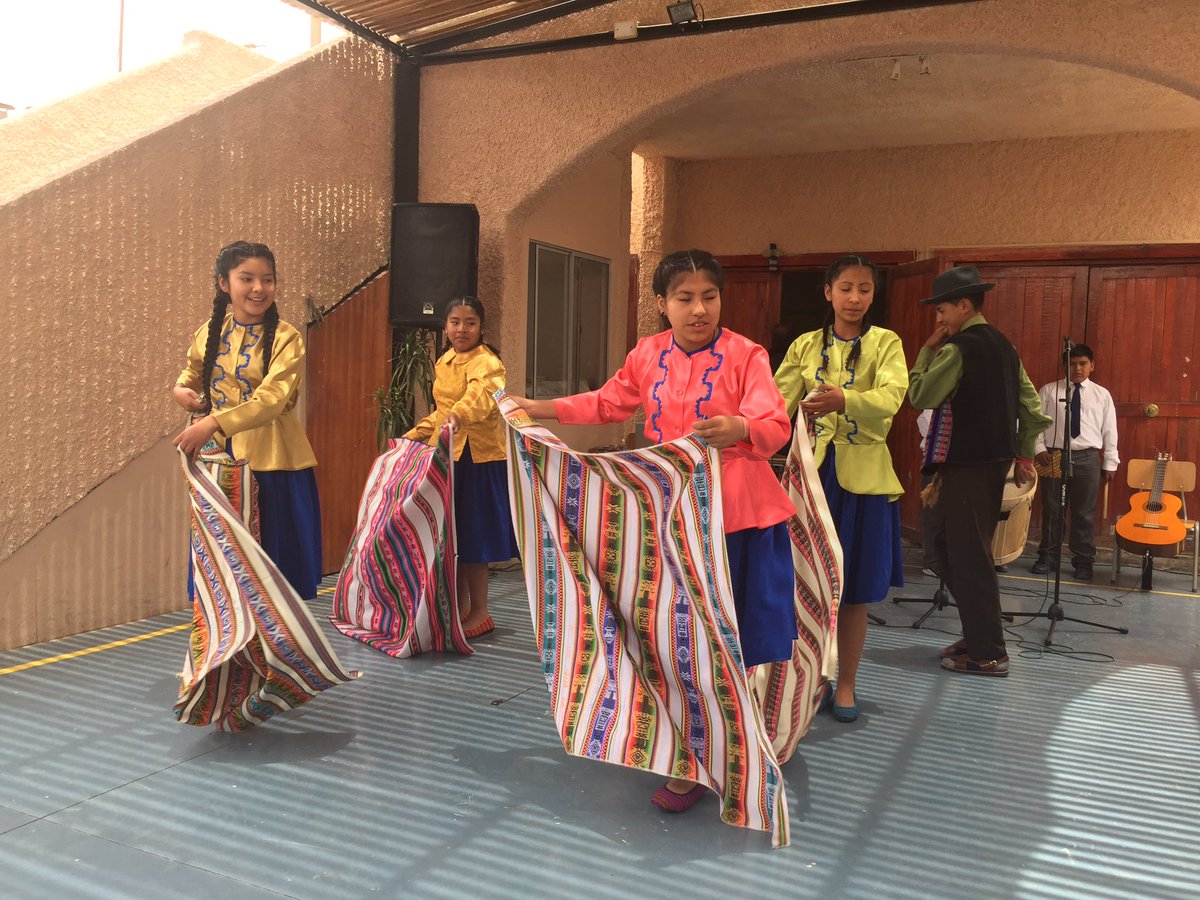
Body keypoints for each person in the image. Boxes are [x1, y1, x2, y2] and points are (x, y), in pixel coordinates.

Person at [509, 248, 797, 813]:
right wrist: (535, 408)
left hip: (739, 518)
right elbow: (607, 404)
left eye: (709, 297)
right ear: (662, 303)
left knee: (735, 638)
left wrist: (741, 426)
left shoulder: (747, 355)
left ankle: (733, 744)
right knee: (678, 639)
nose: (699, 309)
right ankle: (695, 753)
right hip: (672, 517)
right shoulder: (647, 354)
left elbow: (776, 425)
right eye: (685, 298)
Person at [773, 254, 907, 722]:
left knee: (853, 591)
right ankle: (807, 679)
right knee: (801, 583)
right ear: (828, 292)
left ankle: (846, 682)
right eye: (845, 288)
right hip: (809, 477)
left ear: (873, 295)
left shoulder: (887, 343)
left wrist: (844, 399)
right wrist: (743, 432)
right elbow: (775, 403)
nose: (855, 298)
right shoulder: (805, 345)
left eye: (864, 289)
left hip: (864, 481)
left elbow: (893, 396)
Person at [909, 265, 1052, 677]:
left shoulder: (958, 348)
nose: (939, 320)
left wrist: (927, 351)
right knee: (945, 548)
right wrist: (1023, 455)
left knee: (968, 556)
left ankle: (990, 652)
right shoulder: (1006, 347)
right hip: (988, 466)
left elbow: (920, 394)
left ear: (963, 306)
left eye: (942, 311)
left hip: (966, 467)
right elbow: (1031, 408)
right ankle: (978, 634)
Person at [173, 241, 322, 600]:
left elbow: (271, 401)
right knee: (222, 575)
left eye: (267, 280)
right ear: (224, 283)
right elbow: (191, 374)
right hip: (219, 466)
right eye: (247, 279)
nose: (259, 288)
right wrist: (180, 390)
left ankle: (273, 638)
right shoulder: (210, 332)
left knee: (272, 581)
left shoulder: (287, 338)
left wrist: (212, 423)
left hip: (274, 465)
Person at [405, 297, 518, 638]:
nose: (462, 329)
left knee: (474, 537)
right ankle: (462, 609)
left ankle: (481, 612)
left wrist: (457, 415)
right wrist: (414, 434)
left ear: (481, 328)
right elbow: (442, 411)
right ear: (445, 326)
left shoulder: (488, 362)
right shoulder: (445, 361)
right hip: (449, 456)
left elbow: (479, 399)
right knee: (453, 536)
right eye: (455, 322)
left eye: (470, 323)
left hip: (479, 460)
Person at [1031, 344, 1119, 581]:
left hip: (1087, 458)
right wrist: (1039, 448)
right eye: (1071, 364)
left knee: (1084, 512)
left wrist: (1110, 462)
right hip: (1053, 456)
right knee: (1053, 509)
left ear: (1092, 366)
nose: (1077, 368)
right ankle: (1048, 557)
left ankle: (1083, 561)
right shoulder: (1049, 391)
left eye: (1082, 363)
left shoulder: (1102, 395)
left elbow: (1110, 429)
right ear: (1064, 366)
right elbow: (1036, 423)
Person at [916, 409, 940, 577]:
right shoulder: (937, 399)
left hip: (959, 461)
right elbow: (924, 421)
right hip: (935, 458)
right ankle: (932, 562)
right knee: (932, 511)